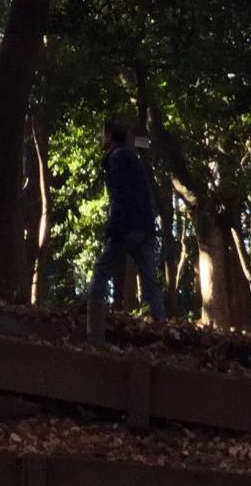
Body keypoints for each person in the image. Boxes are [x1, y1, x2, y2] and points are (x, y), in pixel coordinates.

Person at [88, 116, 166, 340]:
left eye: (103, 133)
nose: (101, 138)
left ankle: (92, 332)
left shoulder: (118, 157)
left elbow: (121, 196)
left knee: (101, 272)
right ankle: (164, 332)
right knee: (150, 283)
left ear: (109, 135)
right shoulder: (130, 157)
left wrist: (113, 229)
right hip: (145, 227)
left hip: (128, 227)